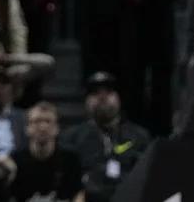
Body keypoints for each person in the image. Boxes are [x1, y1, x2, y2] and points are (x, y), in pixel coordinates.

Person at [58, 72, 151, 202]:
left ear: (118, 98)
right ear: (86, 101)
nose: (102, 97)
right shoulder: (71, 138)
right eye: (95, 93)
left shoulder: (139, 136)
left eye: (109, 91)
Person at [9, 103, 81, 202]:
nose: (43, 127)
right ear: (27, 128)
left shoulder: (70, 159)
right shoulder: (15, 160)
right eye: (37, 121)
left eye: (48, 121)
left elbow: (79, 193)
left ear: (57, 128)